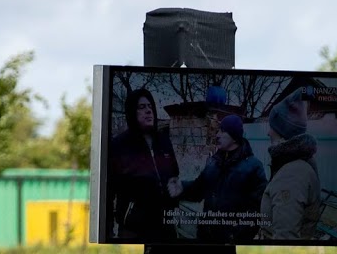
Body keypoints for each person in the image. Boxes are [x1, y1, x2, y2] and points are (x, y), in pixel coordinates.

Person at [168, 114, 267, 243]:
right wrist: (182, 188)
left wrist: (235, 236)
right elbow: (199, 188)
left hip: (229, 242)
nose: (217, 135)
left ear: (234, 136)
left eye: (222, 131)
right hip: (205, 237)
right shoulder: (213, 162)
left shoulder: (253, 167)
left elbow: (257, 211)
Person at [106, 88, 180, 242]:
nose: (148, 111)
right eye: (141, 107)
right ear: (132, 113)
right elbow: (109, 189)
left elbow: (174, 173)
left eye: (150, 106)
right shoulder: (120, 145)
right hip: (133, 228)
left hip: (165, 225)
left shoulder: (164, 141)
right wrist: (108, 231)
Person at [257, 87, 322, 240]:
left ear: (283, 132)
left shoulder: (292, 174)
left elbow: (285, 237)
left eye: (272, 126)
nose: (268, 132)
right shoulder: (295, 164)